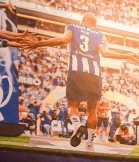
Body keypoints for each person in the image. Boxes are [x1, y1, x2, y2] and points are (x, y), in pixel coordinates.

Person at [24, 12, 130, 152]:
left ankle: (76, 125)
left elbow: (63, 40)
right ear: (95, 24)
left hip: (76, 71)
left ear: (82, 21)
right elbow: (105, 53)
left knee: (73, 106)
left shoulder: (73, 27)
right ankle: (90, 144)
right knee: (92, 110)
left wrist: (39, 43)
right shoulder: (100, 34)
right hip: (94, 74)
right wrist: (127, 56)